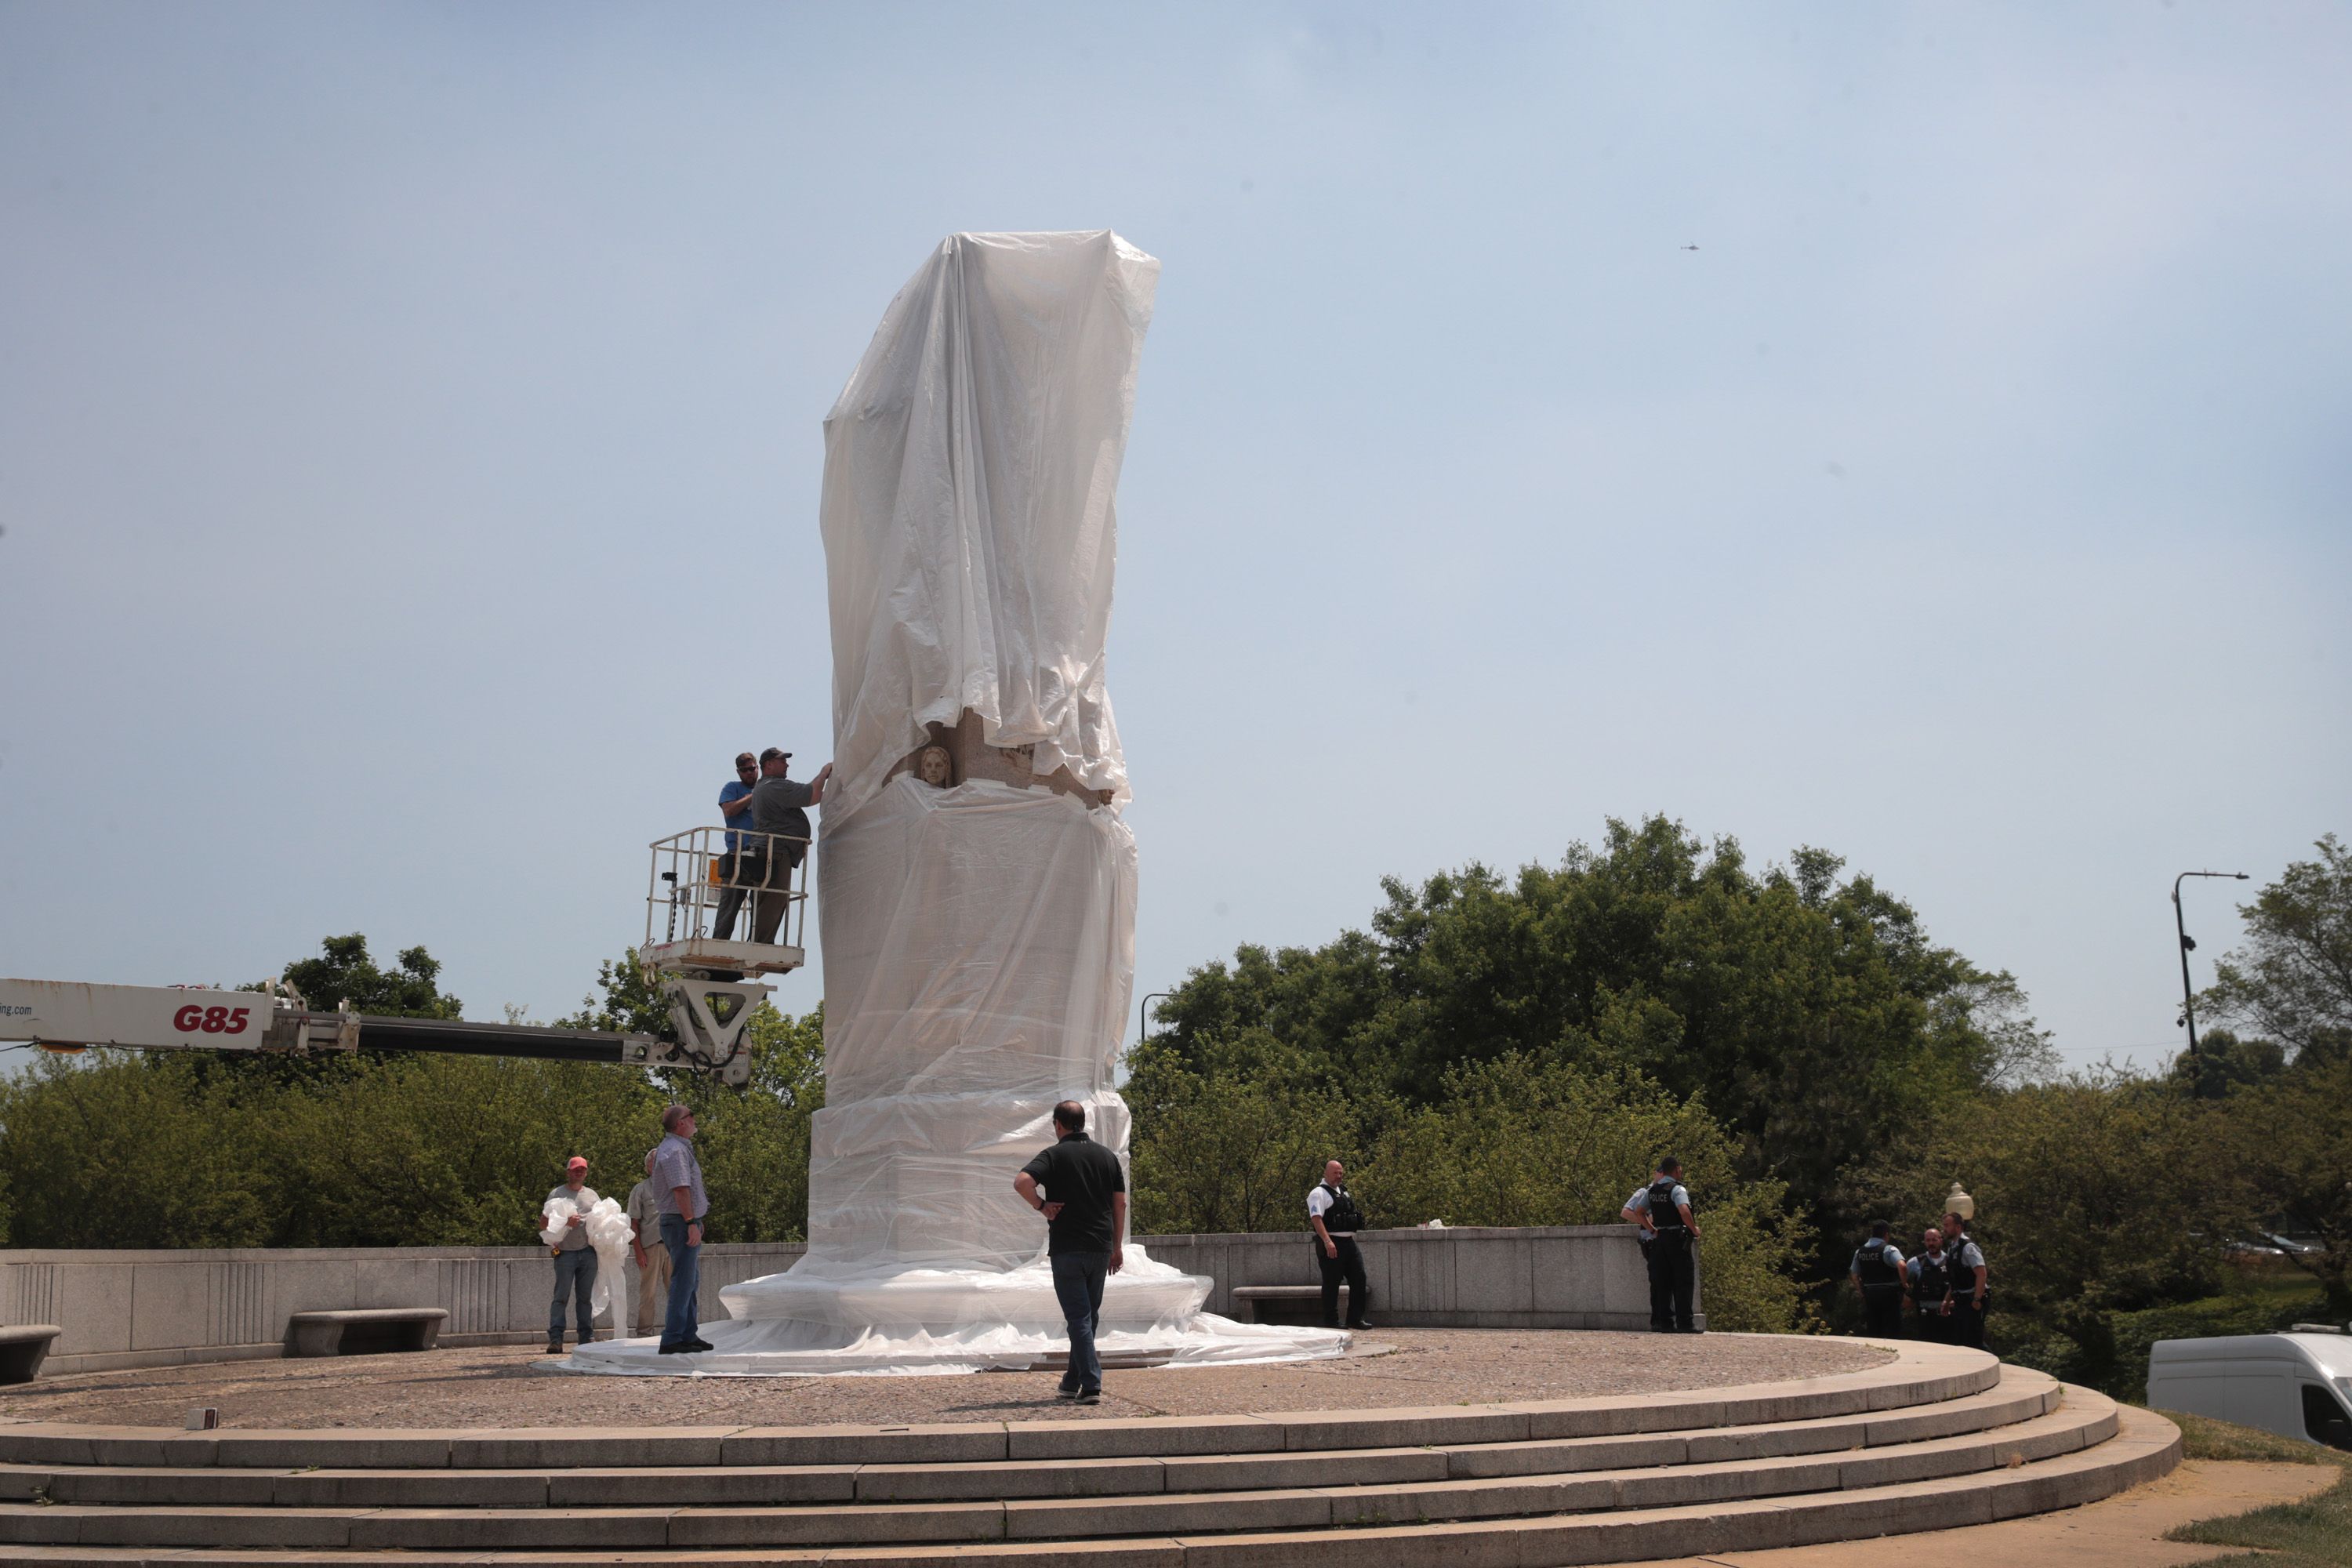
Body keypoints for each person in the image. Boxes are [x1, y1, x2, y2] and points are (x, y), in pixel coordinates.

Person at [1012, 1100, 1127, 1404]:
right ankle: (1071, 1382)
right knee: (1089, 1316)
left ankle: (1091, 1384)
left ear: (1058, 1125)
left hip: (1067, 1248)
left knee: (1079, 1318)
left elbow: (1022, 1182)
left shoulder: (1054, 1155)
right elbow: (1120, 1204)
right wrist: (1117, 1247)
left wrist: (1042, 1206)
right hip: (1100, 1247)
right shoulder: (1107, 1157)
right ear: (1083, 1123)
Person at [748, 748, 835, 946]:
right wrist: (824, 773)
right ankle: (760, 945)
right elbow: (811, 795)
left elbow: (814, 795)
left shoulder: (765, 787)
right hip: (776, 852)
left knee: (770, 900)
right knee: (774, 900)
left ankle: (759, 942)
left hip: (771, 851)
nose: (787, 765)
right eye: (782, 761)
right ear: (769, 764)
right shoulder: (773, 786)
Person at [653, 1105, 713, 1355]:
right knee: (682, 1280)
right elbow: (680, 1189)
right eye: (691, 1116)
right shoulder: (675, 1151)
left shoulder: (678, 1148)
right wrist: (690, 1222)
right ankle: (673, 1337)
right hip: (680, 1221)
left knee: (690, 1280)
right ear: (681, 1124)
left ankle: (687, 1333)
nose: (695, 1120)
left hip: (684, 1220)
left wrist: (696, 1219)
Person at [1622, 1157, 1701, 1334]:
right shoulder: (1677, 1189)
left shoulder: (1652, 1191)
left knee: (1663, 1282)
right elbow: (1684, 1211)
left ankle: (1665, 1323)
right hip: (1677, 1239)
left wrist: (1652, 1230)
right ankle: (1685, 1323)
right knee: (1683, 1281)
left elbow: (1638, 1212)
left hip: (1660, 1240)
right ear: (1676, 1170)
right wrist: (1694, 1229)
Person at [540, 1156, 600, 1354]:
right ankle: (556, 1339)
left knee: (585, 1298)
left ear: (586, 1172)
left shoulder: (592, 1195)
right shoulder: (557, 1194)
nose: (579, 1172)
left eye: (582, 1169)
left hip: (588, 1253)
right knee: (561, 1297)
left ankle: (586, 1338)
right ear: (568, 1172)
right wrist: (566, 1223)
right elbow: (543, 1224)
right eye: (575, 1169)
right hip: (565, 1253)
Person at [1307, 1160, 1372, 1330]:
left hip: (1349, 1243)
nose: (1339, 1176)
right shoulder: (1318, 1193)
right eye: (1335, 1173)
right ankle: (1331, 1321)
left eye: (1341, 1173)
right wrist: (1328, 1241)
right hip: (1332, 1243)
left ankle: (1355, 1318)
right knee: (1332, 1283)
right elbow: (1316, 1219)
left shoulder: (1344, 1192)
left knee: (1359, 1278)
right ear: (1326, 1173)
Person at [711, 751, 761, 941]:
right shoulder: (732, 788)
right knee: (730, 904)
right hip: (738, 853)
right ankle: (719, 942)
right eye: (745, 770)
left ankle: (757, 942)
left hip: (762, 853)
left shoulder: (767, 789)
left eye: (752, 769)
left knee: (762, 904)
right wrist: (752, 796)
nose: (750, 773)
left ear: (758, 768)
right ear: (739, 772)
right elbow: (729, 810)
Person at [625, 1149, 670, 1340]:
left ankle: (678, 1330)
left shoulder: (675, 1187)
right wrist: (638, 1251)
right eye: (654, 1162)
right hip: (650, 1247)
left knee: (677, 1291)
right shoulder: (640, 1189)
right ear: (648, 1168)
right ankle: (644, 1333)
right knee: (648, 1294)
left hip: (673, 1246)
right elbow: (633, 1222)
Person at [1849, 1221, 1907, 1338]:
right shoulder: (1889, 1249)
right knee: (1892, 1328)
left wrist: (1861, 1292)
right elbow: (1902, 1265)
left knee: (1873, 1329)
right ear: (1886, 1234)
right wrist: (1904, 1283)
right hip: (1889, 1293)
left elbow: (1854, 1274)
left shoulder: (1860, 1251)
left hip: (1870, 1293)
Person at [1942, 1210, 1990, 1350]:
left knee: (1975, 1341)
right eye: (1944, 1225)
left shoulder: (1968, 1248)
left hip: (1972, 1299)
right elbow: (1955, 1279)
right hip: (1961, 1299)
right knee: (1962, 1340)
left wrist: (1976, 1299)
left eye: (1947, 1225)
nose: (1944, 1229)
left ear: (1958, 1227)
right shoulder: (1952, 1248)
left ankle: (1994, 1365)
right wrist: (1946, 1300)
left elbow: (1981, 1274)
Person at [1906, 1225, 1955, 1344]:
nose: (1931, 1243)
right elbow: (1901, 1281)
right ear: (1924, 1242)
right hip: (1925, 1315)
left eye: (1934, 1240)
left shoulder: (1951, 1261)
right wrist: (1905, 1297)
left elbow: (1960, 1283)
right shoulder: (1916, 1262)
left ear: (1941, 1240)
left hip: (1948, 1314)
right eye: (1928, 1240)